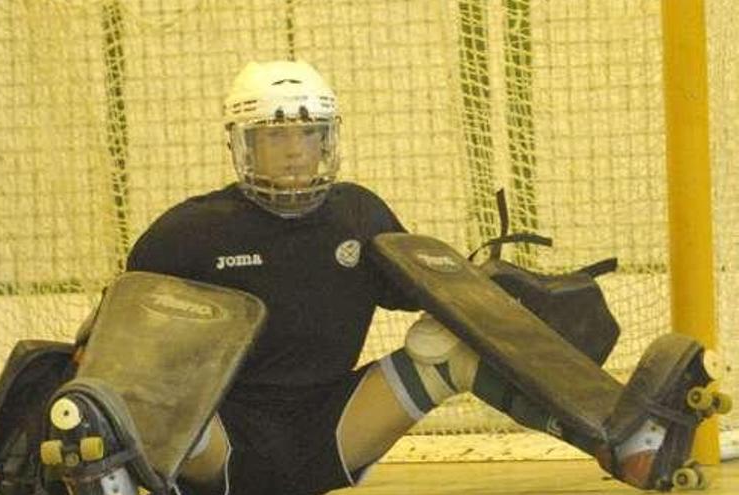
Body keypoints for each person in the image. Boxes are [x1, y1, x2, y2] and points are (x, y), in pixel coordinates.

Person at [122, 60, 712, 495]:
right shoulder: (189, 232)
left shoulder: (358, 214)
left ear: (328, 139)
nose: (295, 151)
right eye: (276, 135)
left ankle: (625, 444)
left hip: (332, 433)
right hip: (218, 448)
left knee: (449, 344)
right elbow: (119, 343)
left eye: (308, 134)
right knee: (128, 390)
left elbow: (425, 295)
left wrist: (496, 300)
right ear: (242, 143)